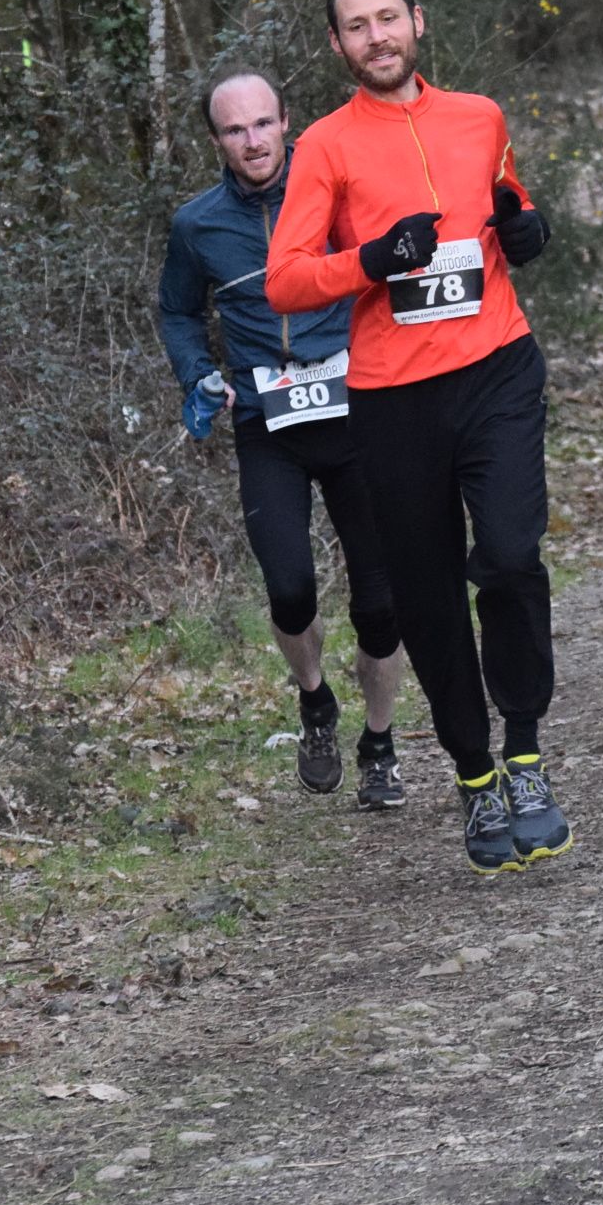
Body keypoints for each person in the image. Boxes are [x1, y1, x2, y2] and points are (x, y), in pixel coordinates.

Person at [265, 0, 571, 875]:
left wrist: (526, 229)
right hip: (394, 396)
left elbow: (509, 201)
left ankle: (525, 754)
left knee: (510, 555)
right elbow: (285, 279)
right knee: (427, 593)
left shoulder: (480, 116)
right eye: (356, 26)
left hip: (497, 368)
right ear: (337, 45)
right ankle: (475, 775)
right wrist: (369, 260)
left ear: (417, 22)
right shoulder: (324, 146)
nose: (377, 37)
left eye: (388, 18)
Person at [159, 72, 409, 808]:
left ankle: (381, 745)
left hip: (357, 412)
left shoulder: (337, 195)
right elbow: (177, 311)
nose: (253, 141)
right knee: (290, 589)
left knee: (381, 603)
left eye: (263, 123)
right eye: (235, 130)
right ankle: (315, 701)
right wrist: (199, 373)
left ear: (287, 122)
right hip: (267, 424)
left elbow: (390, 272)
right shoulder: (197, 225)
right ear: (216, 141)